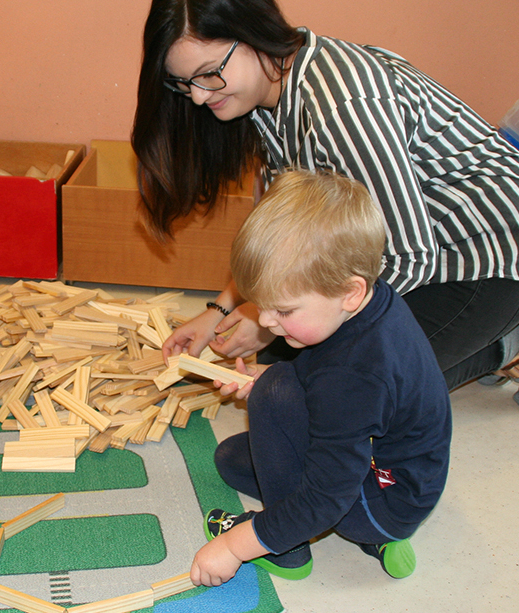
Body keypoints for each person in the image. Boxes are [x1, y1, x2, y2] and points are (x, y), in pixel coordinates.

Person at [134, 0, 519, 410]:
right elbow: (283, 234)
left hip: (480, 259)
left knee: (329, 394)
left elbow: (408, 258)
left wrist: (281, 331)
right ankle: (471, 339)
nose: (197, 97)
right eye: (183, 82)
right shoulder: (264, 95)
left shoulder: (339, 107)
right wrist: (224, 309)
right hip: (408, 250)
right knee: (280, 364)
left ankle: (501, 343)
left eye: (208, 75)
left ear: (252, 36)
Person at [189, 170, 451, 587]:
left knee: (273, 397)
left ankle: (293, 551)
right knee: (233, 461)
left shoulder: (356, 377)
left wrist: (236, 546)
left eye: (285, 311)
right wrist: (268, 374)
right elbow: (328, 372)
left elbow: (325, 499)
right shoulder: (364, 305)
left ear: (349, 291)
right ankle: (376, 539)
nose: (268, 323)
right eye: (263, 305)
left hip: (380, 500)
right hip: (395, 475)